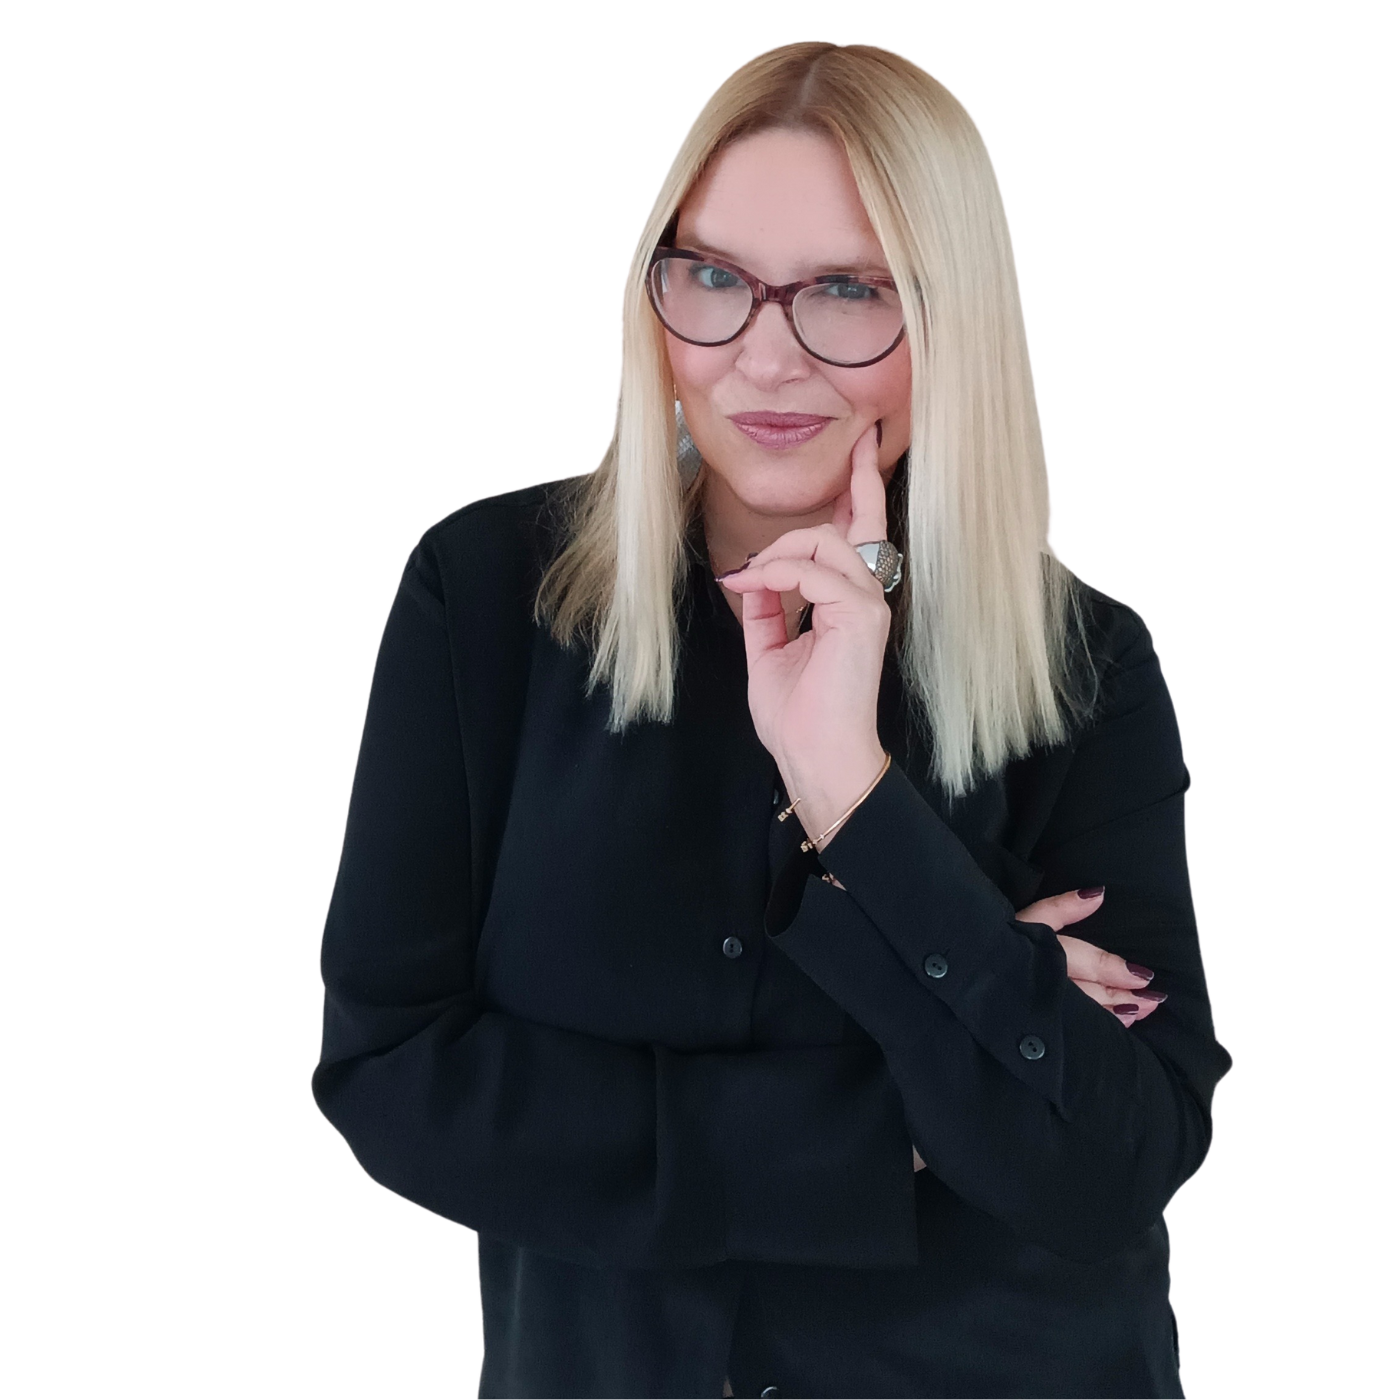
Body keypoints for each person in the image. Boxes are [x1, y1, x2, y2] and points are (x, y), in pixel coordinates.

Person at [312, 41, 1233, 1400]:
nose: (762, 356)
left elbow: (1114, 1165)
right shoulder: (489, 596)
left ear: (952, 319)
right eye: (714, 278)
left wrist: (852, 793)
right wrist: (901, 1121)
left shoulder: (1086, 667)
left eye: (847, 291)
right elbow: (392, 1077)